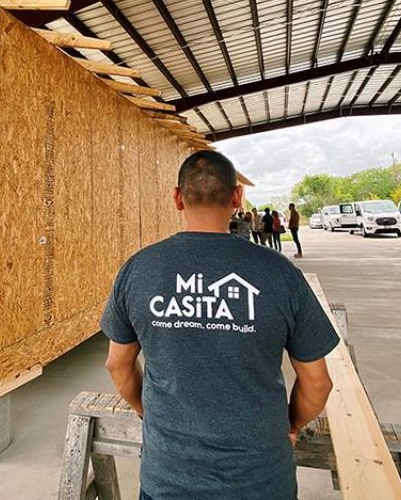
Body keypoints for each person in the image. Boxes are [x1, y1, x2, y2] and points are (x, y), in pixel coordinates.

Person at [100, 151, 338, 500]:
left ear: (177, 198)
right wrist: (289, 425)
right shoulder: (280, 274)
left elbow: (117, 365)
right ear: (237, 197)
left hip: (168, 479)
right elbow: (317, 382)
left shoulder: (139, 270)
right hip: (261, 481)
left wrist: (146, 413)